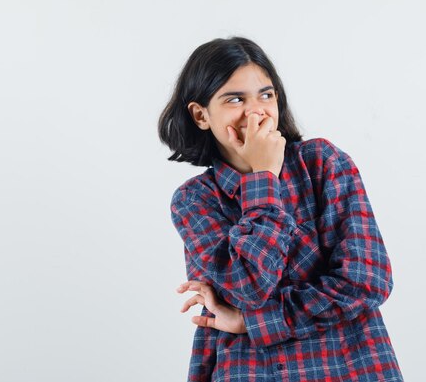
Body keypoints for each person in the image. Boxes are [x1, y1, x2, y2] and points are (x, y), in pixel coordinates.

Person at [158, 36, 404, 382]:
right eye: (234, 99)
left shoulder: (322, 163)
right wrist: (264, 179)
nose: (256, 110)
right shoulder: (194, 200)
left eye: (266, 95)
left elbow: (367, 281)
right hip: (248, 370)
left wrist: (249, 322)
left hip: (350, 367)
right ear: (201, 115)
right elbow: (248, 288)